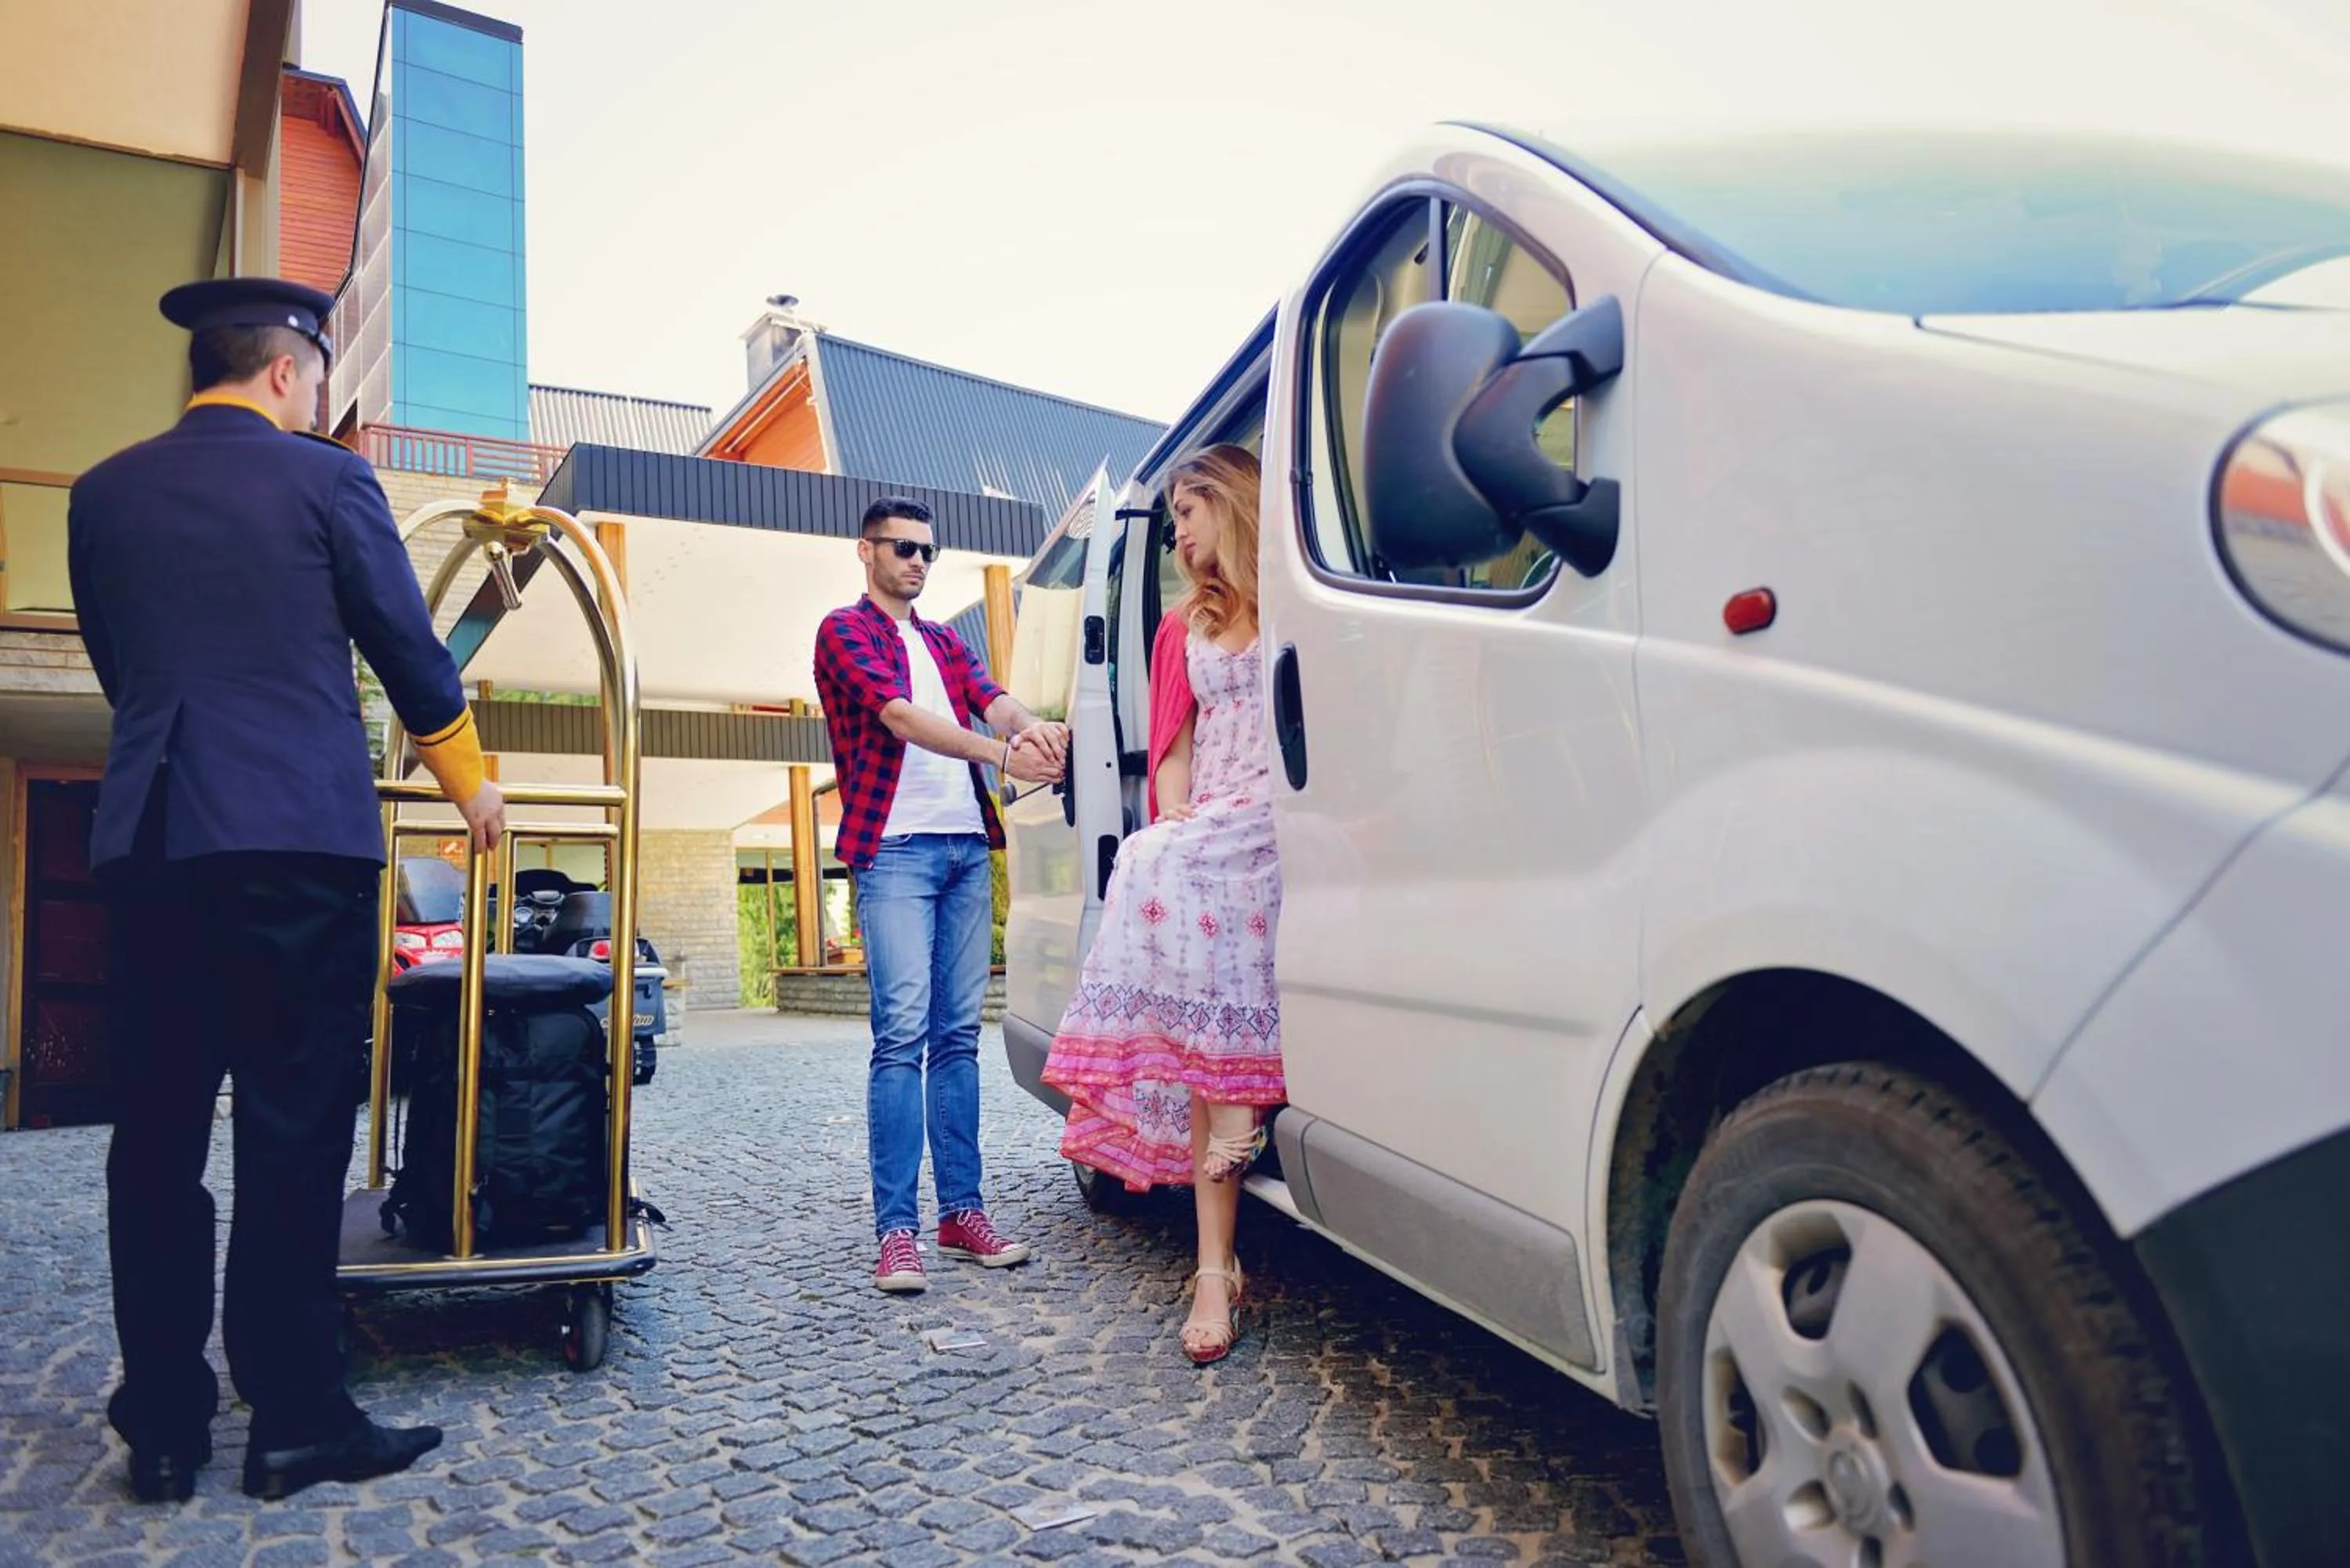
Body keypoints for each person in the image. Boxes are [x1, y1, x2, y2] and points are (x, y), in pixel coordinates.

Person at [67, 276, 508, 1502]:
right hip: (297, 843)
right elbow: (407, 648)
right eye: (318, 378)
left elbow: (123, 667)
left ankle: (160, 1423)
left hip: (156, 838)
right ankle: (295, 1414)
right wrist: (470, 782)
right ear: (285, 372)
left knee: (153, 1135)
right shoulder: (326, 480)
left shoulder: (102, 494)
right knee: (292, 1126)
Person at [1042, 444, 1284, 1366]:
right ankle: (1214, 1269)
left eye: (1190, 510)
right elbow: (1173, 751)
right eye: (1175, 513)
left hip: (1286, 814)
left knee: (1165, 869)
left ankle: (1220, 1252)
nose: (1178, 531)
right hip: (1217, 818)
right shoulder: (1181, 626)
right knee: (1156, 859)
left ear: (1234, 505)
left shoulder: (1300, 607)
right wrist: (1179, 813)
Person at [813, 497, 1068, 1292]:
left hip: (962, 851)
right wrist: (1003, 754)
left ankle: (962, 1211)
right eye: (904, 548)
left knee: (957, 1039)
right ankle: (897, 1231)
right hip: (892, 852)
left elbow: (991, 693)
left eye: (929, 550)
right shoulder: (844, 631)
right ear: (866, 551)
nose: (920, 562)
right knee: (901, 1039)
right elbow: (901, 716)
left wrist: (1036, 728)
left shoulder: (943, 638)